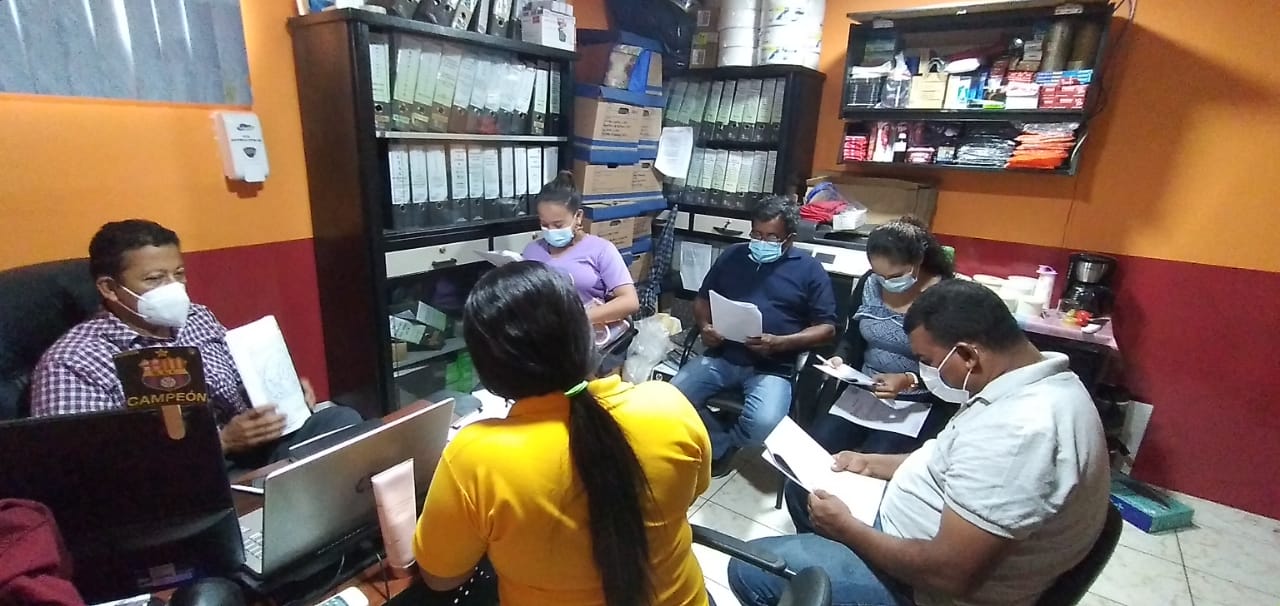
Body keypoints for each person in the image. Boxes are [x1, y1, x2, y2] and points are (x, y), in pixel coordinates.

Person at [728, 280, 1111, 606]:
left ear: (967, 355)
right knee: (805, 490)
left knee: (751, 567)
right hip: (910, 525)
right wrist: (872, 463)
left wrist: (848, 530)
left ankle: (833, 574)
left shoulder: (1020, 433)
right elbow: (952, 456)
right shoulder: (1030, 381)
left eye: (927, 361)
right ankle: (830, 561)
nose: (926, 372)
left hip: (924, 588)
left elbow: (949, 575)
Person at [412, 262, 712, 606]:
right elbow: (690, 492)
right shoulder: (667, 404)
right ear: (587, 334)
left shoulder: (475, 456)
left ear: (489, 370)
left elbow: (441, 577)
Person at [29, 220, 361, 468]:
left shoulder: (197, 318)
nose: (173, 288)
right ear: (109, 288)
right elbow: (85, 467)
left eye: (179, 274)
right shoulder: (73, 361)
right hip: (174, 482)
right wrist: (223, 442)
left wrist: (283, 394)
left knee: (341, 422)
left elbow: (239, 383)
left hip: (256, 451)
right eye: (155, 279)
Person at [786, 218, 956, 533]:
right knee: (812, 461)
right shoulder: (870, 283)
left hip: (916, 402)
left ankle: (853, 538)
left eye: (894, 276)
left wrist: (908, 380)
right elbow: (853, 335)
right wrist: (842, 357)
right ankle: (808, 533)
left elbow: (952, 366)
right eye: (879, 274)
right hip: (864, 391)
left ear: (918, 262)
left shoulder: (945, 297)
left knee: (870, 471)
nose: (885, 282)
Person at [671, 197, 837, 476]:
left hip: (773, 367)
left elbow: (827, 328)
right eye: (756, 234)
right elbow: (702, 299)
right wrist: (705, 326)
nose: (761, 242)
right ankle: (719, 441)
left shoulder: (809, 270)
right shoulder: (733, 256)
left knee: (765, 425)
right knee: (671, 398)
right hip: (723, 355)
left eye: (771, 237)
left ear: (789, 238)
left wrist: (782, 342)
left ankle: (726, 441)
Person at [521, 171, 640, 327]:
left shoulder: (601, 250)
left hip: (585, 332)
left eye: (558, 225)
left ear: (578, 216)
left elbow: (630, 301)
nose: (551, 230)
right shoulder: (531, 251)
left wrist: (578, 318)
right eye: (544, 224)